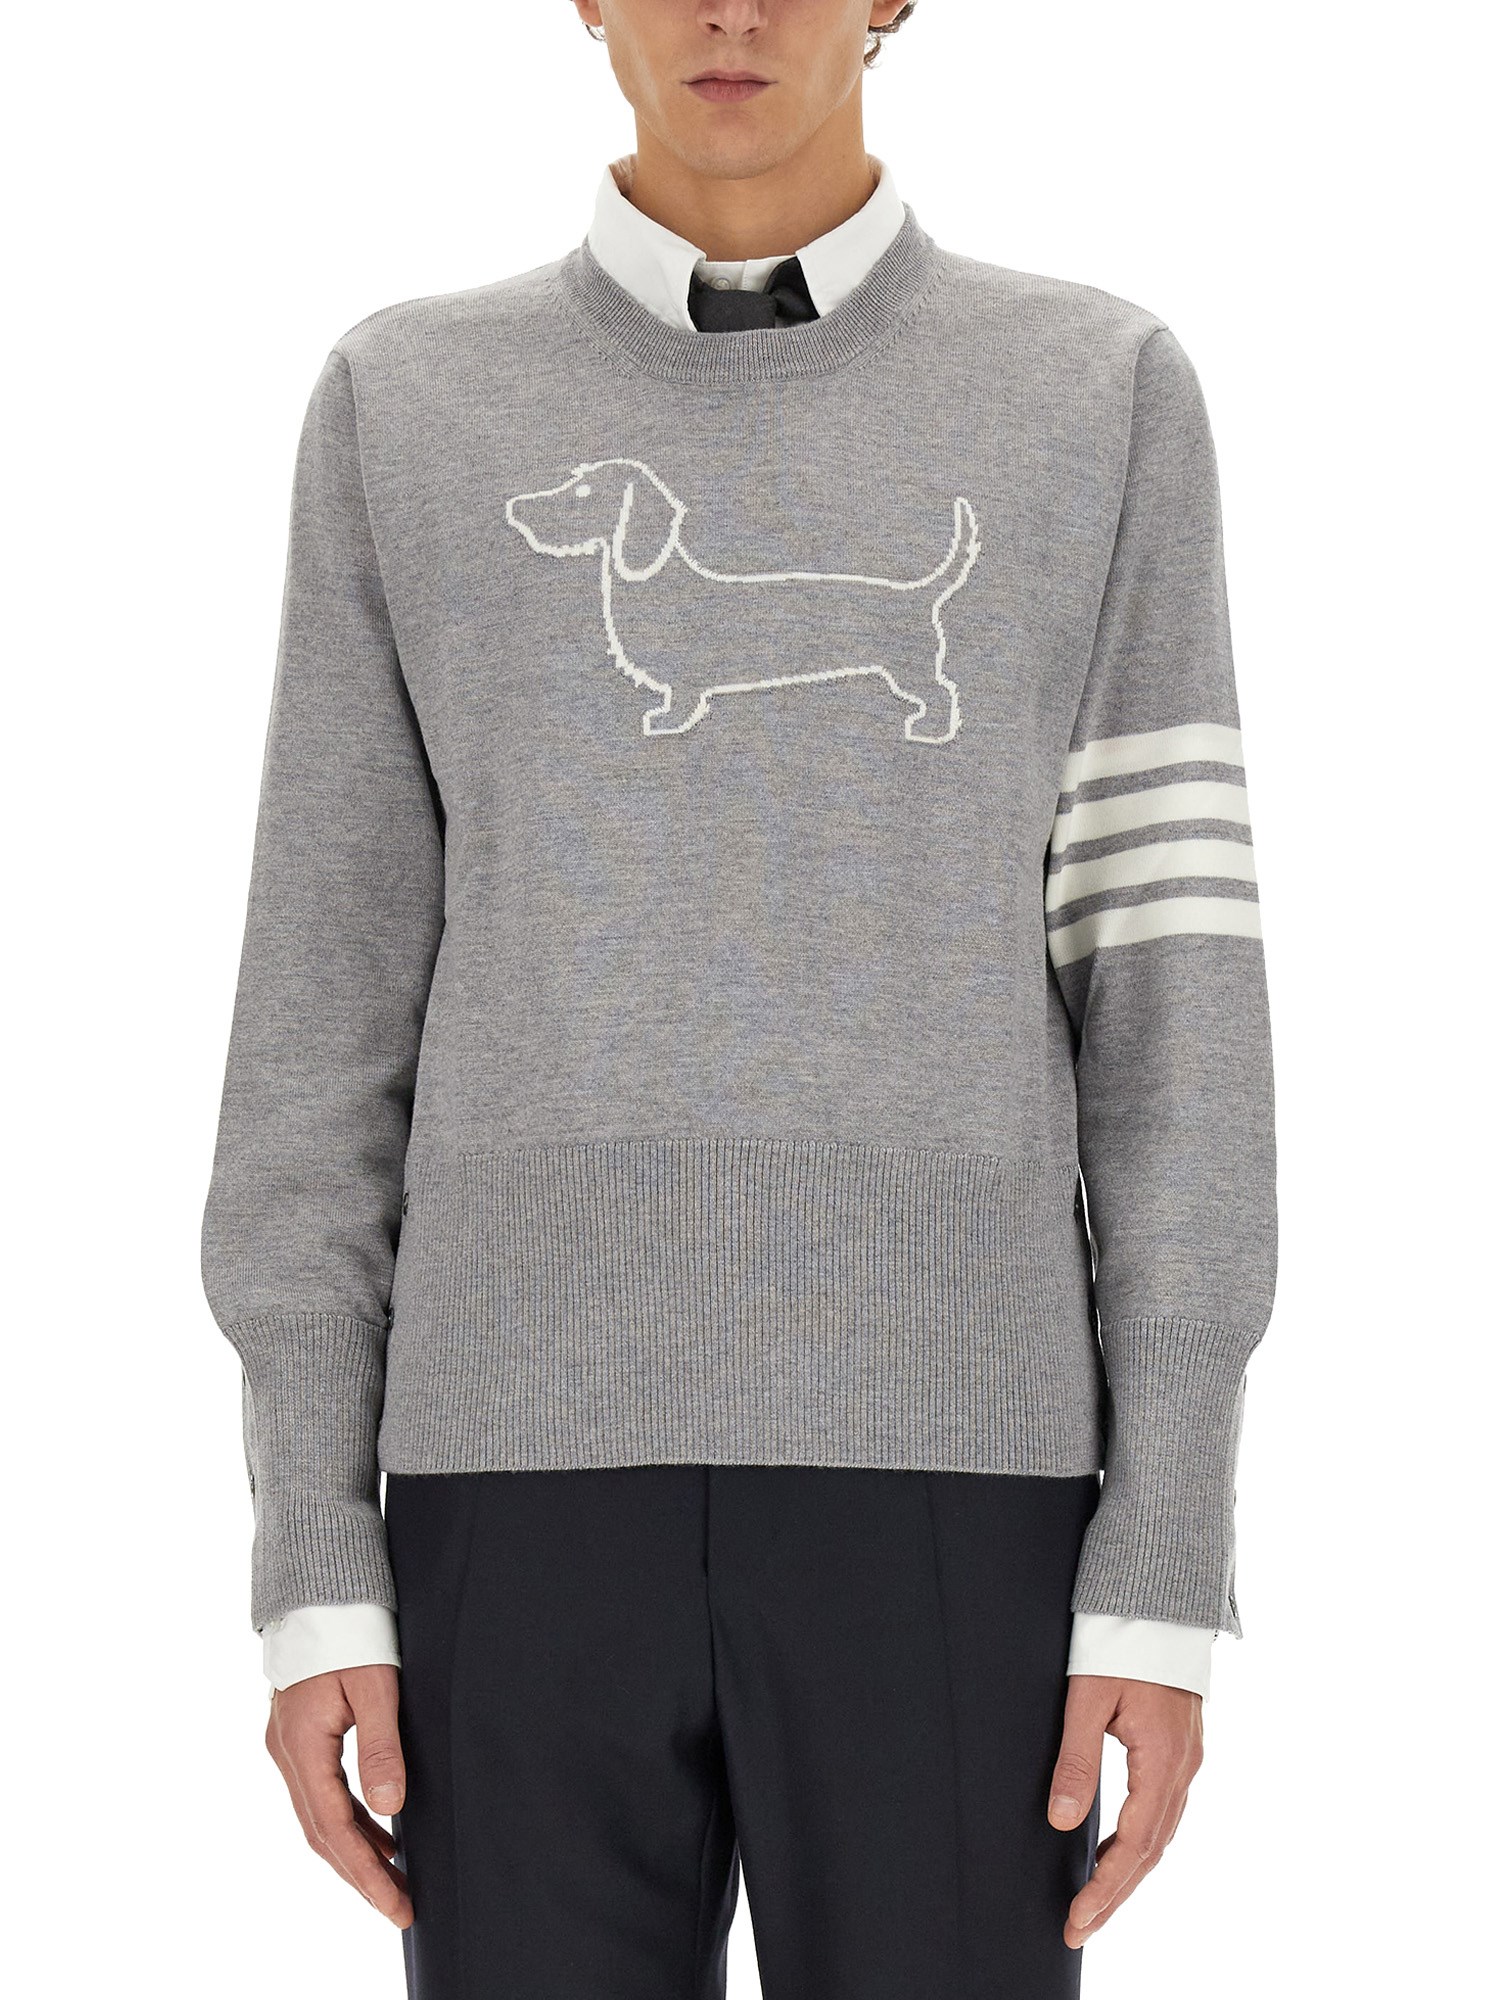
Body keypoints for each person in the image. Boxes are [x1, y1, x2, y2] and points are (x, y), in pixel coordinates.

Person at [199, 3, 1277, 1994]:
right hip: (506, 1485)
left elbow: (1172, 995)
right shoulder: (404, 404)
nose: (732, 8)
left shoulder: (1097, 390)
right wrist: (314, 1558)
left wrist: (1163, 1561)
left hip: (967, 1475)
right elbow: (316, 1012)